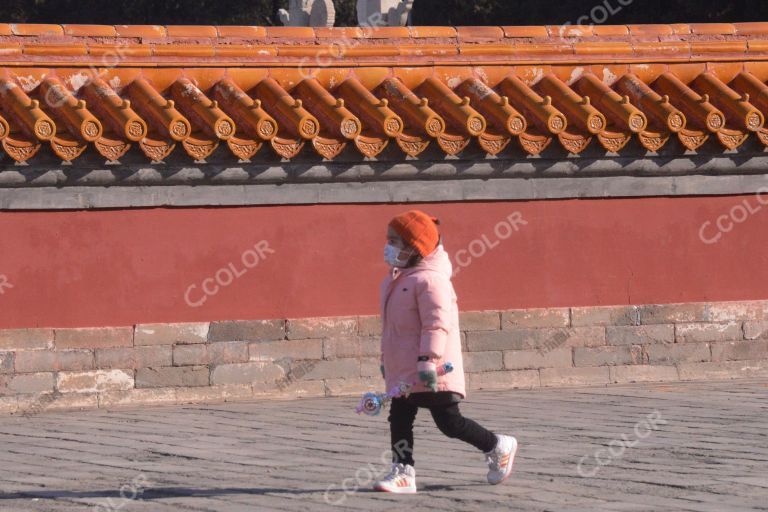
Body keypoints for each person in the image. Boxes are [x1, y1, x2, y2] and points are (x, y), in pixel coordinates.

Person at [373, 209, 518, 494]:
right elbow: (392, 329)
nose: (388, 247)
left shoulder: (431, 280)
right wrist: (385, 361)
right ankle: (403, 472)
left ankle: (498, 445)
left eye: (395, 241)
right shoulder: (397, 279)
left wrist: (428, 359)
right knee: (400, 417)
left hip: (432, 368)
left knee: (449, 422)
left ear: (414, 247)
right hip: (403, 369)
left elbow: (437, 324)